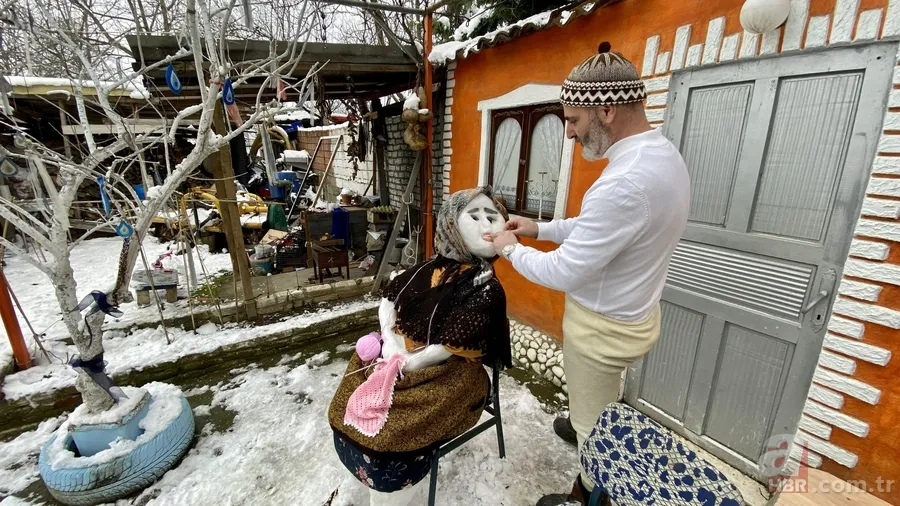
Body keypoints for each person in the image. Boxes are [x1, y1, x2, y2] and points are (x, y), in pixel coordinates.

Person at [487, 43, 690, 506]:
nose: (570, 135)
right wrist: (540, 227)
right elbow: (602, 229)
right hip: (632, 314)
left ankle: (590, 493)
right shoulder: (660, 156)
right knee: (597, 402)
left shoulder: (624, 182)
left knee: (593, 428)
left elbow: (566, 269)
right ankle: (588, 416)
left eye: (573, 121)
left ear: (608, 110)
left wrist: (511, 248)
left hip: (602, 332)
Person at [328, 187, 512, 506]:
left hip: (451, 375)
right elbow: (389, 299)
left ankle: (393, 486)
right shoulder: (429, 268)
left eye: (492, 217)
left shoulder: (487, 289)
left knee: (390, 432)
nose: (487, 225)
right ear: (450, 225)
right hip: (396, 354)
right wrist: (389, 339)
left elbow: (447, 348)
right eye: (475, 215)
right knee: (348, 398)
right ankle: (367, 472)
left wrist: (403, 361)